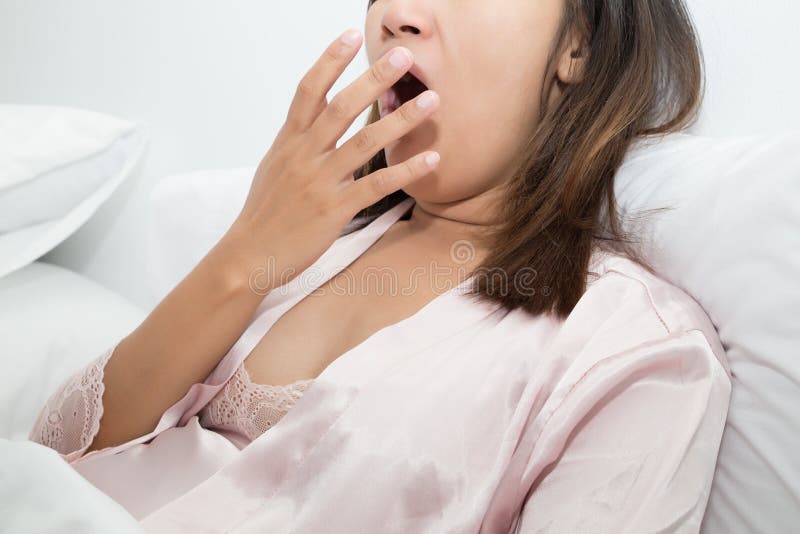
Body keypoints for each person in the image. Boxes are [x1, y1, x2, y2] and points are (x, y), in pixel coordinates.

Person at [29, 0, 732, 532]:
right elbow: (56, 454)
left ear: (576, 43)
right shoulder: (306, 241)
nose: (395, 15)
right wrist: (243, 256)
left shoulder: (634, 352)